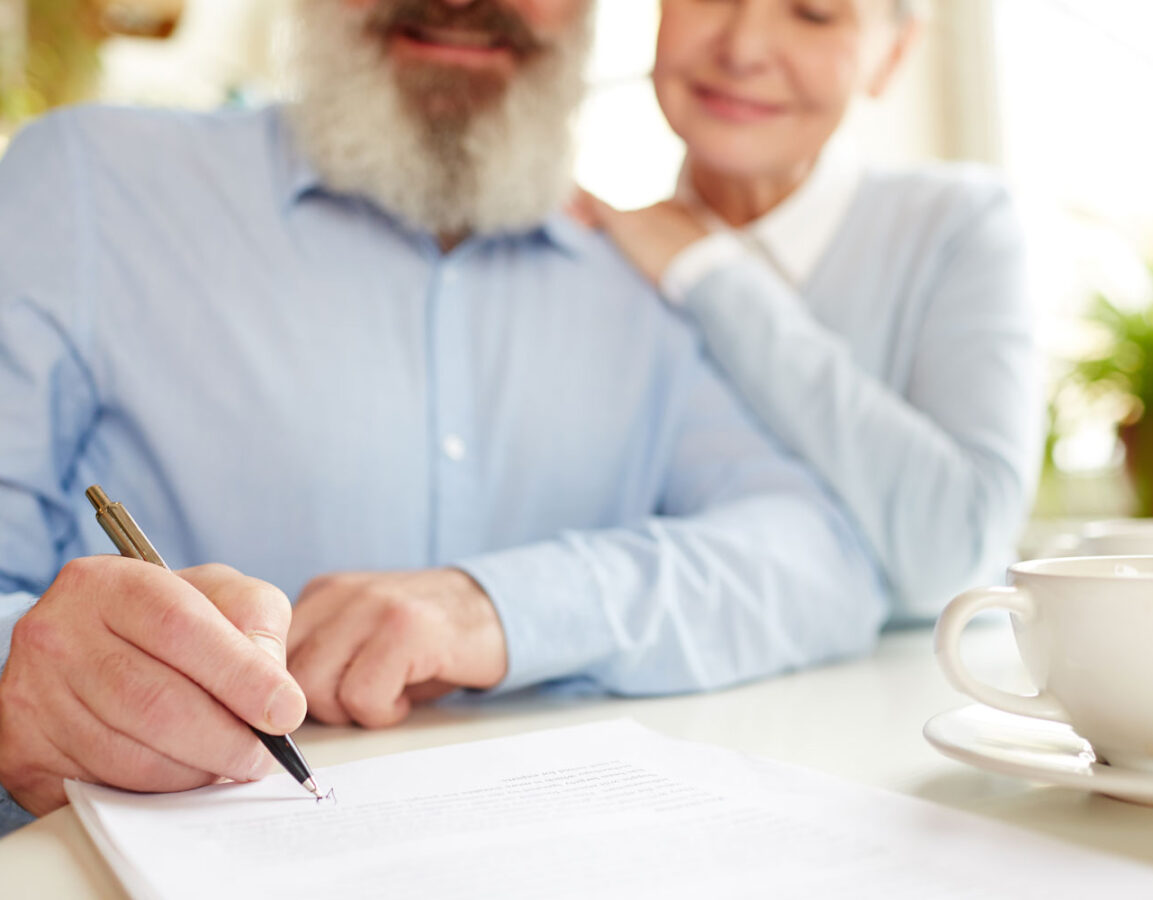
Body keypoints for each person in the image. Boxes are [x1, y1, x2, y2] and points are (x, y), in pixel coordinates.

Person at [0, 0, 888, 836]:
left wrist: (499, 606)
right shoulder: (87, 184)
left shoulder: (641, 275)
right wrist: (20, 677)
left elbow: (825, 559)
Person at [577, 0, 1043, 620]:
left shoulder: (957, 226)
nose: (742, 49)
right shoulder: (598, 256)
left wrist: (712, 274)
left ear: (894, 54)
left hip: (918, 700)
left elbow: (955, 552)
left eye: (814, 12)